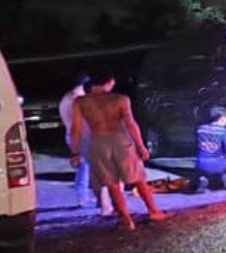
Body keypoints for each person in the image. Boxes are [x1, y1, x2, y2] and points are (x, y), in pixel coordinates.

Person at [67, 68, 166, 231]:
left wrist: (75, 152)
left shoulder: (81, 102)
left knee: (111, 183)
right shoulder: (120, 99)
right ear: (109, 82)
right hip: (121, 141)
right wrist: (140, 146)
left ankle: (126, 220)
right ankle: (153, 211)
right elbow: (131, 124)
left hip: (98, 143)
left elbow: (75, 129)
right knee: (138, 178)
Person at [58, 72, 95, 207]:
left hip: (71, 134)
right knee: (86, 167)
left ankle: (83, 196)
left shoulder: (66, 97)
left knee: (84, 167)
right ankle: (84, 197)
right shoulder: (79, 99)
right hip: (81, 136)